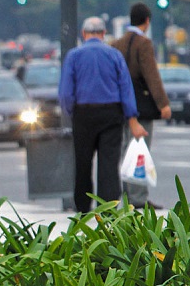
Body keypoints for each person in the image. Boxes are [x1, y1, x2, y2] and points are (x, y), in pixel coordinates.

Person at [58, 16, 148, 213]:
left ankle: (82, 206)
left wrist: (71, 112)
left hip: (83, 113)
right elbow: (126, 88)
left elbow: (65, 92)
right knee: (108, 163)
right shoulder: (114, 55)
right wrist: (130, 115)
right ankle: (107, 207)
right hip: (111, 113)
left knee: (82, 162)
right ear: (103, 33)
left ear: (84, 34)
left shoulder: (74, 56)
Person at [111, 2, 172, 210]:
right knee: (140, 150)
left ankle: (127, 194)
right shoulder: (143, 44)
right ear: (147, 21)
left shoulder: (117, 43)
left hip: (120, 105)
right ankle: (138, 197)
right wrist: (163, 103)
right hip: (140, 106)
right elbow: (151, 75)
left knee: (125, 150)